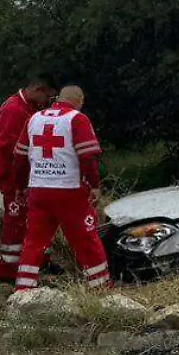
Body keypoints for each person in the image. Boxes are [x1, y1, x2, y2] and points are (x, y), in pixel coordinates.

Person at [12, 85, 111, 292]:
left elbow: (19, 157)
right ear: (79, 100)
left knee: (34, 242)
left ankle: (23, 290)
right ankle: (101, 288)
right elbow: (87, 157)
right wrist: (94, 185)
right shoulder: (77, 119)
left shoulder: (34, 119)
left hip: (38, 189)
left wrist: (20, 186)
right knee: (86, 239)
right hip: (69, 190)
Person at [0, 78, 54, 283]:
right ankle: (7, 270)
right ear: (37, 89)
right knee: (15, 222)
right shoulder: (14, 110)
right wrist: (20, 180)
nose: (48, 101)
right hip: (14, 176)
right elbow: (9, 149)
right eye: (47, 96)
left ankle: (38, 262)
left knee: (32, 221)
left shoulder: (29, 108)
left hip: (28, 176)